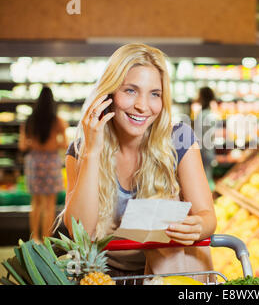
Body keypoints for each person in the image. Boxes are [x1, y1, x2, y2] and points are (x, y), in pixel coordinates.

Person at [58, 43, 216, 280]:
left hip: (167, 274)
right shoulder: (81, 150)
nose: (143, 106)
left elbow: (208, 215)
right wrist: (92, 151)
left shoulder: (179, 139)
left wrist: (198, 226)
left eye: (155, 94)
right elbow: (82, 232)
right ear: (107, 95)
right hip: (103, 277)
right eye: (130, 90)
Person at [18, 86, 68, 243]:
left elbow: (22, 146)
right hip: (51, 162)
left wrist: (35, 144)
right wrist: (52, 145)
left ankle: (35, 239)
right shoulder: (58, 121)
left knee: (36, 204)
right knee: (49, 205)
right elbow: (65, 144)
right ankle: (47, 240)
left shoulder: (29, 121)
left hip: (34, 162)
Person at [193, 87, 218, 190]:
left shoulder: (206, 115)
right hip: (203, 151)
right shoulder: (205, 114)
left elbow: (209, 137)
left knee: (205, 179)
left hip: (204, 152)